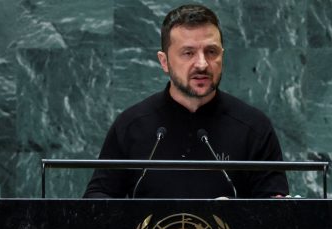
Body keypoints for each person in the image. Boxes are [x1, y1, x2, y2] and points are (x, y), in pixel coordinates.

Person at [83, 4, 289, 198]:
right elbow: (98, 200)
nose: (202, 64)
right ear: (164, 62)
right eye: (188, 53)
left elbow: (274, 213)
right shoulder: (131, 125)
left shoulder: (254, 127)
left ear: (222, 56)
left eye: (211, 52)